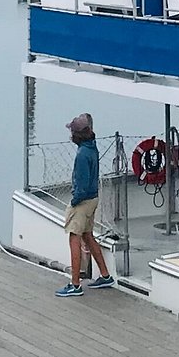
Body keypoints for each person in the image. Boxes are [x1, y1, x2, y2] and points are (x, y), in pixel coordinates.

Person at [57, 113, 114, 297]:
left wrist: (74, 202)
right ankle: (105, 275)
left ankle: (75, 284)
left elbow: (81, 184)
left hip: (82, 201)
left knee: (74, 237)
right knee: (88, 236)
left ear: (76, 135)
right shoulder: (92, 147)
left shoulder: (82, 154)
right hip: (93, 198)